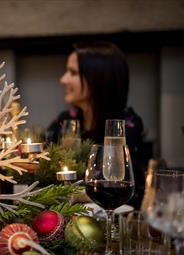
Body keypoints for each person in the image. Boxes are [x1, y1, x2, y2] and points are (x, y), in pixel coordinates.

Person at [46, 41, 147, 208]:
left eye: (73, 72)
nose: (63, 79)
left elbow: (112, 185)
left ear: (97, 79)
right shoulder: (65, 121)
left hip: (118, 218)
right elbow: (45, 166)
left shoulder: (125, 126)